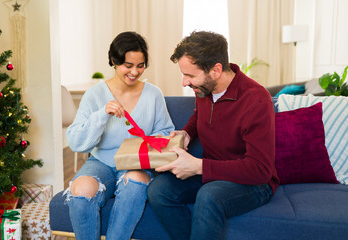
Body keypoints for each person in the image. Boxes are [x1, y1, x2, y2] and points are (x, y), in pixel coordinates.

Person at [147, 31, 280, 240]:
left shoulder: (257, 100)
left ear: (216, 70)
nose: (184, 82)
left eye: (190, 76)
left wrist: (198, 166)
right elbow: (199, 115)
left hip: (253, 182)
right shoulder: (204, 89)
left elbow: (260, 170)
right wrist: (187, 133)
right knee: (159, 190)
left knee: (209, 196)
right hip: (213, 171)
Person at [66, 31, 174, 240]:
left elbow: (164, 132)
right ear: (114, 61)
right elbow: (76, 142)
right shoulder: (94, 95)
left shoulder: (153, 94)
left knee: (134, 182)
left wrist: (147, 143)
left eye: (140, 65)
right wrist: (101, 115)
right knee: (81, 189)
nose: (135, 72)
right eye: (128, 65)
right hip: (101, 161)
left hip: (137, 163)